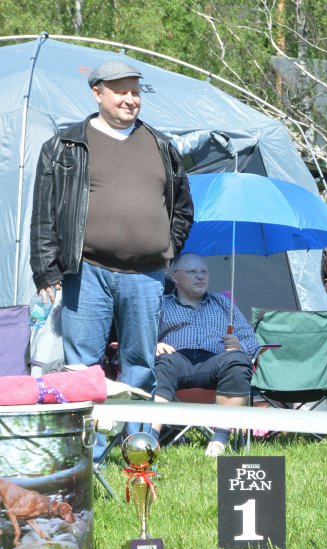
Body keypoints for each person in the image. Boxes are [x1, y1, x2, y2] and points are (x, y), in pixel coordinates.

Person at [29, 60, 194, 399]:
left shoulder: (162, 146)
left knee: (141, 367)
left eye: (135, 92)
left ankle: (135, 434)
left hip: (146, 276)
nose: (130, 99)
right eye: (121, 92)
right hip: (87, 272)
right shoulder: (64, 146)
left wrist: (168, 248)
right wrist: (45, 269)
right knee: (82, 370)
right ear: (97, 93)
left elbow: (183, 208)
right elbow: (45, 212)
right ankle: (88, 435)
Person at [151, 254, 260, 458]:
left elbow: (252, 340)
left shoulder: (223, 304)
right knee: (161, 363)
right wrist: (154, 345)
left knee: (238, 360)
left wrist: (239, 345)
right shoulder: (161, 304)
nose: (200, 276)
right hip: (175, 359)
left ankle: (220, 439)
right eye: (192, 272)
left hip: (215, 362)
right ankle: (150, 439)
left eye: (204, 272)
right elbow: (140, 337)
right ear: (175, 277)